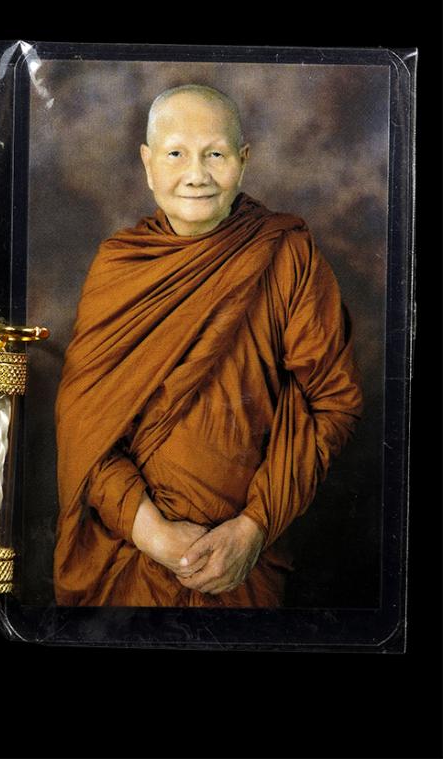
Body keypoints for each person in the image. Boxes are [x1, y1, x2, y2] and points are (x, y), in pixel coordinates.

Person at [54, 84, 363, 607]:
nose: (196, 175)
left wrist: (253, 527)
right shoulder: (119, 267)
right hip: (131, 558)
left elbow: (333, 403)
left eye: (215, 154)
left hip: (246, 561)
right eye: (176, 154)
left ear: (243, 161)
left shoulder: (286, 255)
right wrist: (152, 533)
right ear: (148, 164)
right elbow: (84, 427)